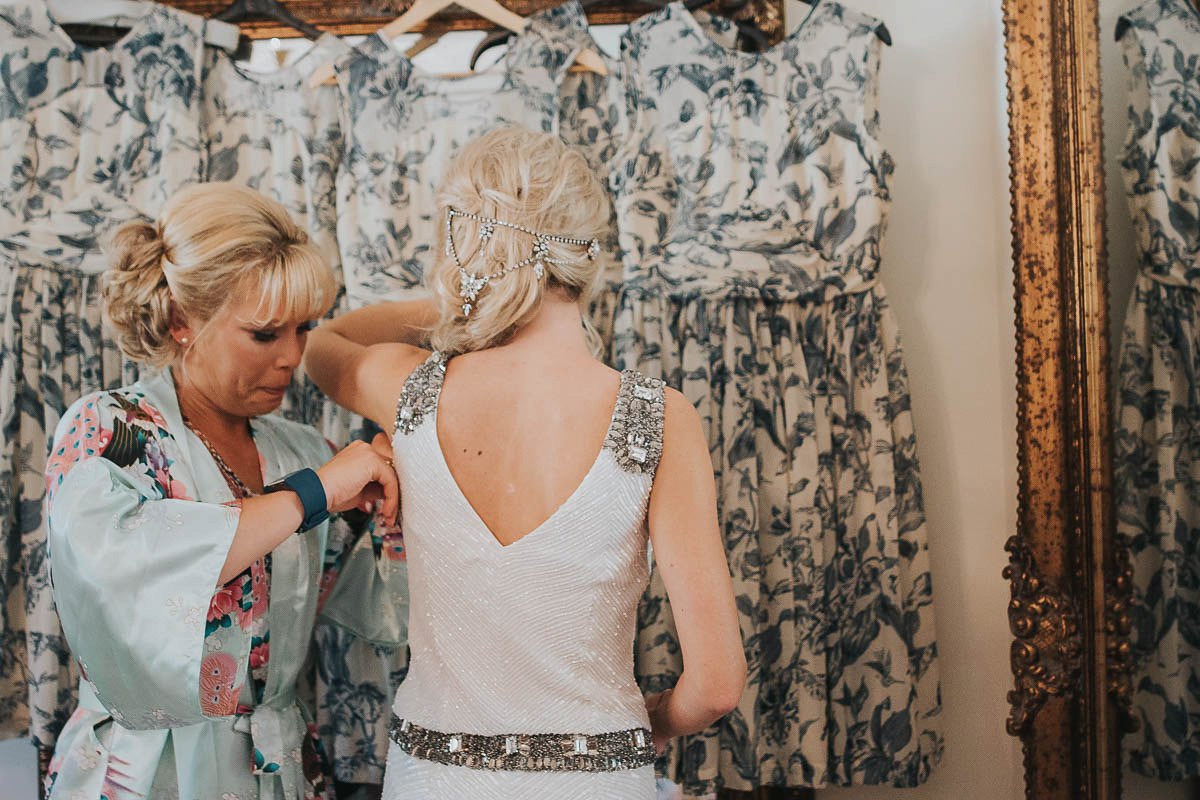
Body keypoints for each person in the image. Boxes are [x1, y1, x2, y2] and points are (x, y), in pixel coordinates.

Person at [305, 126, 746, 799]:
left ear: (465, 241)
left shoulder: (407, 388)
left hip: (434, 781)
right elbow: (715, 686)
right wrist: (653, 720)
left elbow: (323, 344)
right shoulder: (662, 419)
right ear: (587, 254)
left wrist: (464, 299)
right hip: (599, 777)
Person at [43, 183, 406, 800]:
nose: (294, 355)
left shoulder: (302, 449)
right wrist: (309, 497)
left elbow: (384, 606)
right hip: (150, 773)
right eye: (266, 334)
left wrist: (399, 502)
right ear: (184, 321)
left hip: (278, 769)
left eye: (305, 328)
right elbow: (130, 575)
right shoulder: (109, 430)